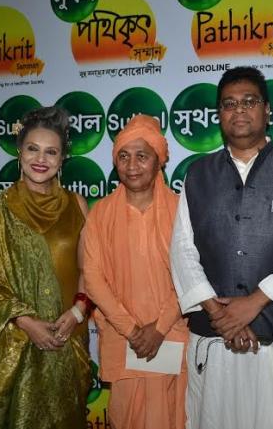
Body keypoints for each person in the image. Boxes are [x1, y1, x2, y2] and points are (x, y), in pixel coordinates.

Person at [170, 66, 273, 429]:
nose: (238, 110)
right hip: (214, 335)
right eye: (229, 104)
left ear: (267, 110)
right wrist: (221, 316)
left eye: (249, 101)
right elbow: (182, 250)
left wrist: (253, 303)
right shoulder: (198, 174)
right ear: (219, 114)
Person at [0, 106, 91, 429]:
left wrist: (77, 313)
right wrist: (26, 322)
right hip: (17, 344)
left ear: (62, 159)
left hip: (67, 339)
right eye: (33, 149)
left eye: (51, 152)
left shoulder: (77, 205)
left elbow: (89, 269)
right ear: (19, 152)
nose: (41, 159)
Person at [83, 114, 188, 429]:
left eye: (142, 156)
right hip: (123, 339)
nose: (132, 166)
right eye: (124, 156)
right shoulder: (100, 213)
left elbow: (191, 274)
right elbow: (93, 279)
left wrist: (159, 327)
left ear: (159, 161)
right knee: (126, 416)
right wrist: (132, 330)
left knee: (174, 416)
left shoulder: (182, 211)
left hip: (171, 335)